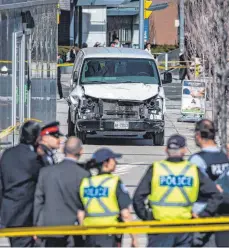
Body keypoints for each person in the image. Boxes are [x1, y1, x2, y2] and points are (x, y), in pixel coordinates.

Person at [133, 134, 223, 247]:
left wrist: (147, 217)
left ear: (166, 150)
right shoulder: (192, 170)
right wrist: (203, 215)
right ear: (184, 150)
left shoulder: (156, 169)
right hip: (184, 228)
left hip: (159, 227)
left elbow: (138, 198)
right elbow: (216, 194)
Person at [33, 137, 89, 247]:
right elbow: (86, 203)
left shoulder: (46, 172)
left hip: (48, 227)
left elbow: (38, 201)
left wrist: (36, 225)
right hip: (72, 227)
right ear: (81, 151)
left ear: (63, 150)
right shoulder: (83, 175)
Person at [76, 148, 138, 247]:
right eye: (113, 160)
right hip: (109, 234)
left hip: (90, 235)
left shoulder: (86, 183)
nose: (116, 162)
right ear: (106, 163)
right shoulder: (114, 182)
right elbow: (125, 214)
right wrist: (134, 237)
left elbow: (80, 214)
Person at [0, 121, 42, 247]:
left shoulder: (7, 154)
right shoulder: (34, 157)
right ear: (36, 138)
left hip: (9, 214)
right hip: (26, 215)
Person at [189, 119, 229, 247]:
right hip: (223, 213)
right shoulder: (224, 157)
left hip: (202, 214)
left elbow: (190, 189)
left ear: (198, 135)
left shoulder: (197, 160)